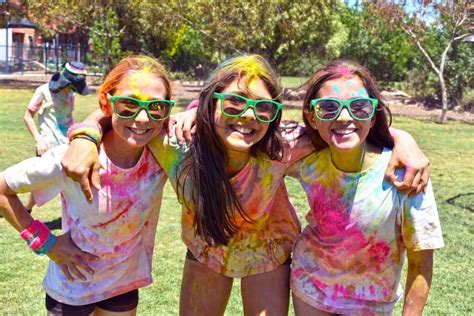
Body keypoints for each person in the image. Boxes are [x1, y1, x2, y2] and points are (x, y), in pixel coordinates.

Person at [59, 54, 430, 316]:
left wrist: (403, 138)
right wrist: (86, 134)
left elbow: (345, 124)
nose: (248, 117)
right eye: (234, 104)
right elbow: (126, 112)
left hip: (267, 252)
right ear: (210, 104)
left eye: (262, 108)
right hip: (206, 249)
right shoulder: (176, 145)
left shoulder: (282, 147)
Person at [0, 55, 175, 315]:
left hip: (123, 286)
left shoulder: (162, 156)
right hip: (71, 289)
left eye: (156, 107)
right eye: (128, 104)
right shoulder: (73, 158)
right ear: (107, 102)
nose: (141, 118)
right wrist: (46, 243)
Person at [288, 60, 444, 315]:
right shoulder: (307, 160)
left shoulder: (405, 174)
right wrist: (197, 109)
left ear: (373, 116)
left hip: (372, 301)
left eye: (359, 107)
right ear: (312, 117)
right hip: (310, 289)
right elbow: (254, 141)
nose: (344, 117)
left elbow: (421, 262)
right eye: (328, 108)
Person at [23, 61, 89, 213]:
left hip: (67, 144)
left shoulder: (71, 94)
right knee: (39, 181)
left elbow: (67, 117)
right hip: (47, 145)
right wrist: (39, 140)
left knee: (72, 181)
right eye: (72, 86)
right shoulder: (44, 91)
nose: (72, 90)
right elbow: (27, 117)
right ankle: (23, 207)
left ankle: (73, 215)